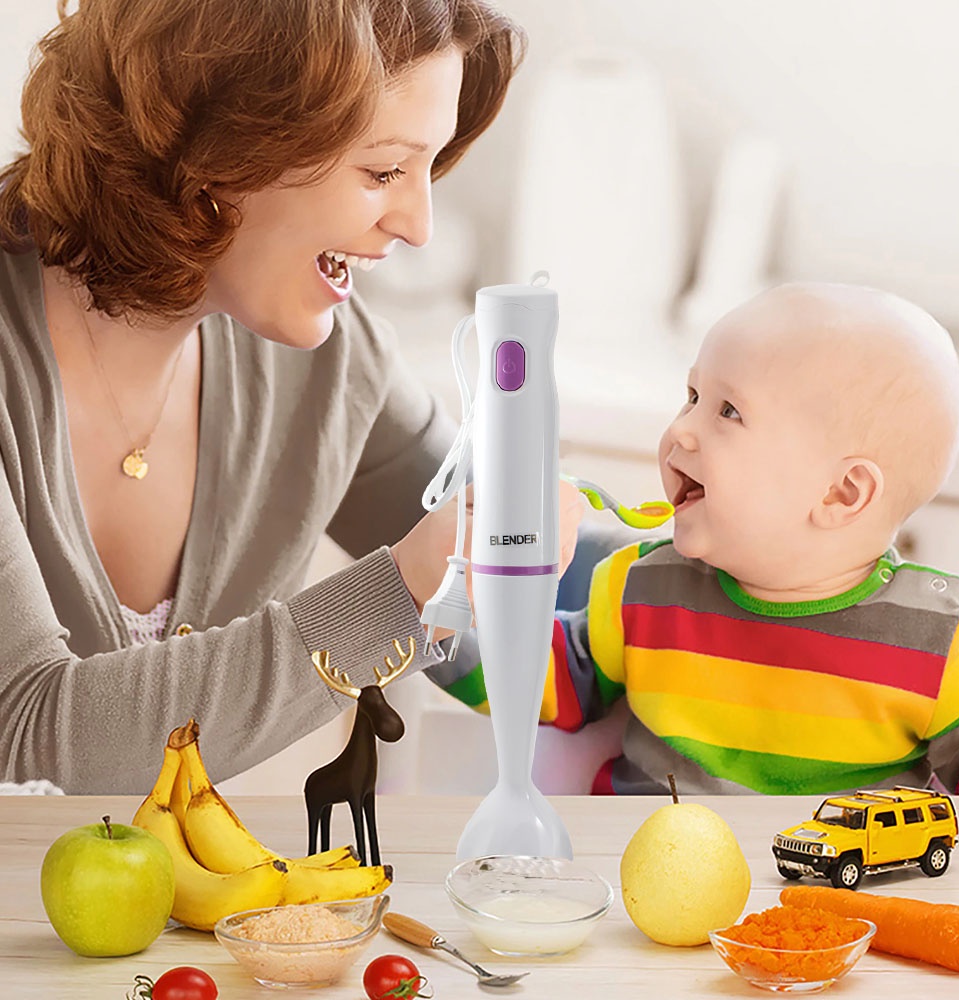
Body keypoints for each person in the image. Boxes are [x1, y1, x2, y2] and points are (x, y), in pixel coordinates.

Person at [0, 0, 585, 794]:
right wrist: (399, 589)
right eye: (383, 172)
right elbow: (28, 738)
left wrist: (752, 521)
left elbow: (544, 549)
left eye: (427, 169)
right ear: (223, 150)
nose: (419, 227)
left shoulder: (329, 364)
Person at [430, 282, 959, 797]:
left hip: (833, 897)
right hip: (642, 878)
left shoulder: (939, 635)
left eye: (728, 411)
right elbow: (538, 683)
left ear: (841, 494)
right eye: (692, 396)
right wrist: (434, 617)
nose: (681, 427)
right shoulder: (643, 587)